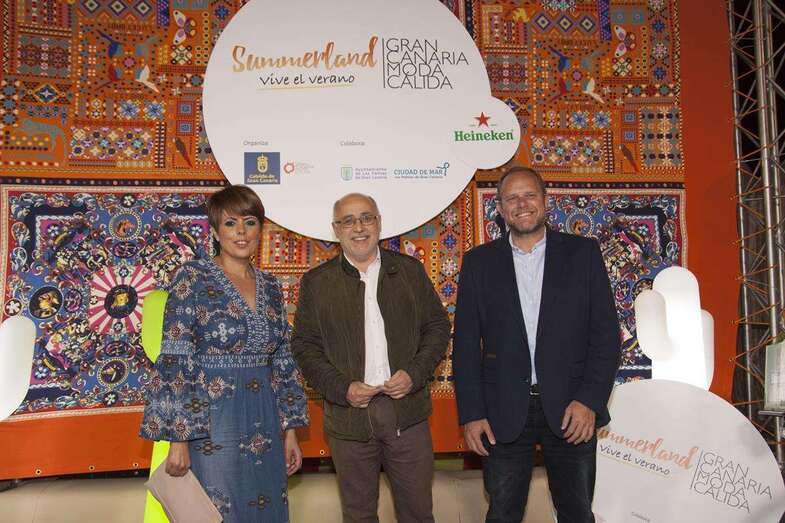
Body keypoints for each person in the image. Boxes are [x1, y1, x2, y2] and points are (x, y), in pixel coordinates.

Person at [452, 166, 621, 523]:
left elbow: (606, 336)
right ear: (500, 208)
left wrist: (589, 400)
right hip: (501, 411)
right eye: (512, 198)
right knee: (502, 514)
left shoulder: (583, 254)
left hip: (572, 408)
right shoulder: (479, 262)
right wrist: (472, 414)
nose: (522, 204)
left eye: (529, 195)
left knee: (577, 513)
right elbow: (465, 346)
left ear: (545, 201)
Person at [140, 185, 308, 522]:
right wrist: (178, 440)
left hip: (265, 422)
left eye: (250, 222)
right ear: (216, 232)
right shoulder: (192, 278)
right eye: (231, 223)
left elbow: (283, 360)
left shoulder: (271, 286)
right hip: (213, 426)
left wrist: (290, 431)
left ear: (261, 230)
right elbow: (177, 358)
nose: (241, 232)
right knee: (218, 512)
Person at [291, 193, 450, 522]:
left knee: (418, 513)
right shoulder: (317, 283)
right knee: (358, 515)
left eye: (366, 218)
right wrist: (342, 388)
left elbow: (437, 327)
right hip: (349, 419)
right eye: (348, 221)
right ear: (336, 229)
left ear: (379, 223)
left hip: (407, 414)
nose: (359, 227)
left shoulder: (409, 271)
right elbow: (305, 347)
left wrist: (414, 373)